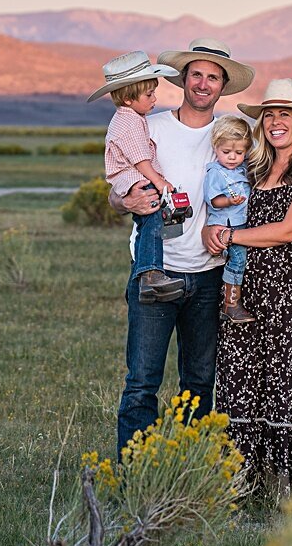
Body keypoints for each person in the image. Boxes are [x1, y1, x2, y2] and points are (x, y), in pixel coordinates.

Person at [110, 39, 256, 455]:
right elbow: (117, 188)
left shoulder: (232, 135)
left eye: (213, 76)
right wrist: (125, 201)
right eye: (197, 74)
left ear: (223, 85)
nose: (203, 83)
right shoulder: (148, 126)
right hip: (155, 274)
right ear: (183, 79)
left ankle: (189, 476)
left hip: (210, 276)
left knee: (199, 382)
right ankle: (136, 478)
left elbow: (269, 181)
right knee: (142, 383)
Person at [206, 78, 292, 502]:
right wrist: (214, 227)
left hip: (287, 294)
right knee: (241, 380)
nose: (277, 122)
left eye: (286, 114)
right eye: (270, 115)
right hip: (244, 291)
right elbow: (223, 203)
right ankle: (240, 487)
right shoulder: (253, 168)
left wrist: (230, 236)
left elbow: (290, 229)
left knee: (287, 383)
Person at [88, 50, 184, 302]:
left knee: (149, 221)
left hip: (131, 175)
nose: (155, 98)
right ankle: (149, 273)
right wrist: (160, 181)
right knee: (152, 220)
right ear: (129, 99)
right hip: (132, 176)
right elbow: (140, 158)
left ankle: (147, 273)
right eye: (149, 94)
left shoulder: (132, 117)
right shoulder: (129, 121)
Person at [204, 115, 253, 324]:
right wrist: (229, 201)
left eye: (239, 152)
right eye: (226, 152)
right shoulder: (216, 172)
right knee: (239, 259)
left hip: (240, 223)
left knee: (241, 260)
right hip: (227, 224)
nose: (232, 157)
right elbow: (213, 200)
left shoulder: (242, 168)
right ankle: (230, 303)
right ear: (216, 147)